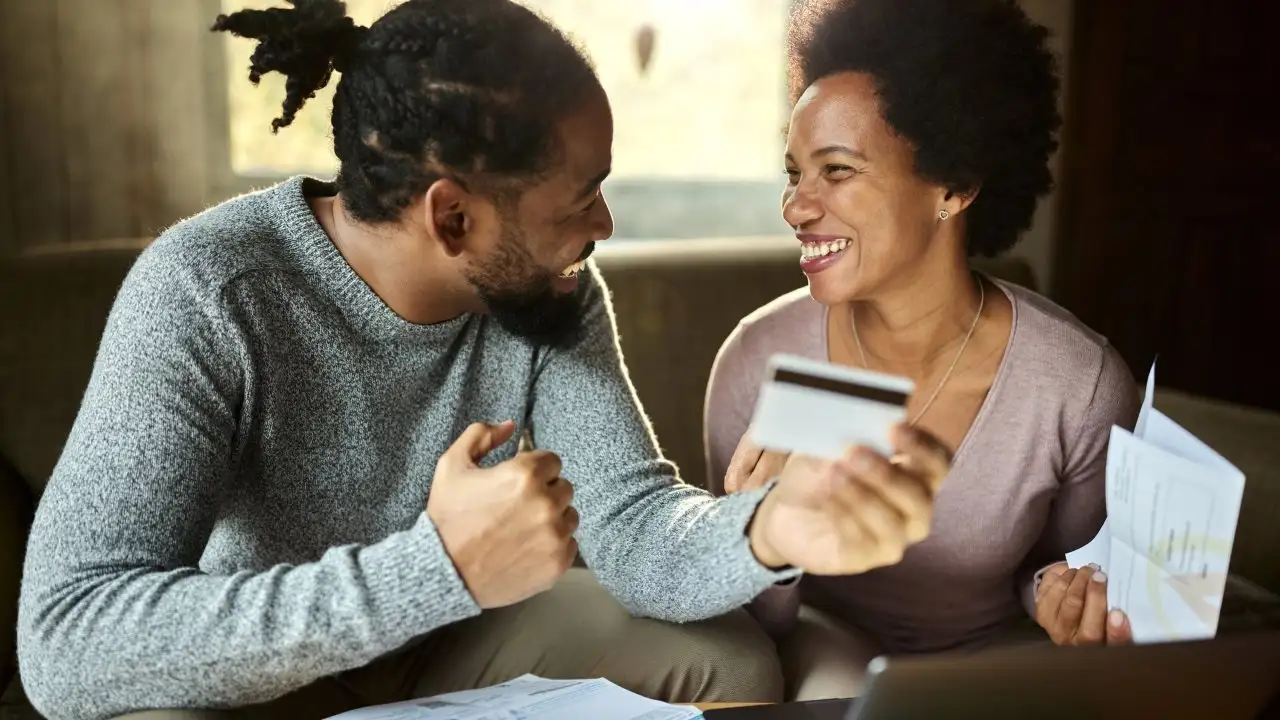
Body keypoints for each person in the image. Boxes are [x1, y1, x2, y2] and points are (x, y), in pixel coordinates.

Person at [16, 1, 955, 718]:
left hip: (443, 642)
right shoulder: (207, 290)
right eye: (581, 197)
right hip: (244, 673)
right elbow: (63, 642)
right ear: (451, 216)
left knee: (734, 660)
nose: (603, 227)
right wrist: (436, 569)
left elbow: (632, 529)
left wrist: (769, 529)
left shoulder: (551, 297)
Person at [704, 0, 1142, 702]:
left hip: (990, 663)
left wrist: (1063, 599)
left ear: (954, 186)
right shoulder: (757, 360)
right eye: (794, 174)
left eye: (837, 171)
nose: (795, 207)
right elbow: (739, 620)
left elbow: (1060, 570)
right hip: (820, 656)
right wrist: (764, 535)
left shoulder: (1077, 384)